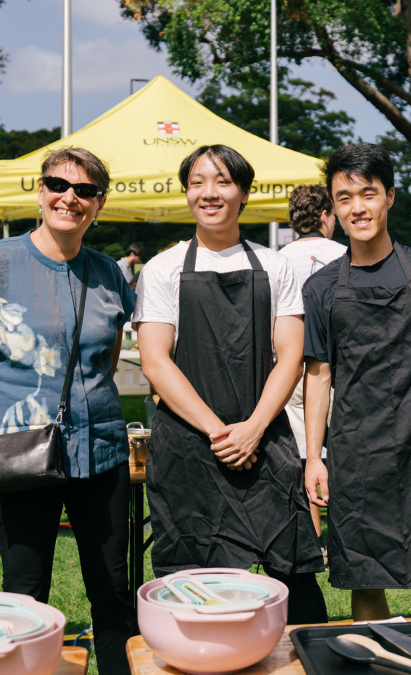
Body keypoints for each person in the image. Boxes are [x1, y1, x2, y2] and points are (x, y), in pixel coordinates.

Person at [0, 147, 138, 675]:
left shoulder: (108, 274)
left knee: (113, 591)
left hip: (101, 454)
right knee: (25, 592)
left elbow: (103, 359)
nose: (69, 197)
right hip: (22, 453)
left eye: (85, 191)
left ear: (98, 205)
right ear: (40, 191)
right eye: (59, 184)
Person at [134, 144, 328, 624]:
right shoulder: (163, 268)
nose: (209, 193)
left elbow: (291, 356)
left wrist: (253, 428)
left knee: (295, 580)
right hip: (189, 447)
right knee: (194, 589)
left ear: (243, 192)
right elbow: (156, 362)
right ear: (186, 194)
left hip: (266, 440)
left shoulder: (276, 265)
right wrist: (221, 432)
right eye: (197, 182)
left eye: (221, 181)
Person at [301, 143, 411, 620]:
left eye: (367, 194)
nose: (357, 207)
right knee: (364, 579)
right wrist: (315, 457)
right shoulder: (322, 287)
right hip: (355, 453)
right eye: (344, 197)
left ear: (389, 197)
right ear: (333, 207)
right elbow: (319, 375)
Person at [277, 183, 346, 539]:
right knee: (341, 455)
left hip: (288, 370)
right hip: (334, 369)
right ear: (324, 215)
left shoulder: (277, 259)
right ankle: (345, 533)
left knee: (303, 458)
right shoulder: (344, 254)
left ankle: (312, 539)